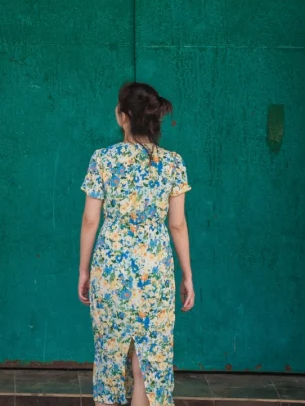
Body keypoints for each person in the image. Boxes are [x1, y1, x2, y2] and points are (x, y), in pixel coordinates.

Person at [79, 82, 194, 406]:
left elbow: (90, 220)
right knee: (149, 357)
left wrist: (83, 270)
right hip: (155, 271)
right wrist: (186, 275)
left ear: (124, 116)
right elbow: (177, 224)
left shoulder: (103, 159)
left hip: (110, 270)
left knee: (110, 355)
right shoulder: (172, 163)